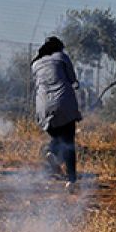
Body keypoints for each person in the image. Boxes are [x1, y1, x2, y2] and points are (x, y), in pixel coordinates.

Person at [31, 36, 83, 190]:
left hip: (43, 107)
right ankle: (71, 180)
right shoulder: (61, 57)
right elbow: (73, 79)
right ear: (59, 48)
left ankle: (51, 152)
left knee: (57, 136)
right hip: (63, 103)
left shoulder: (35, 64)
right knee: (68, 143)